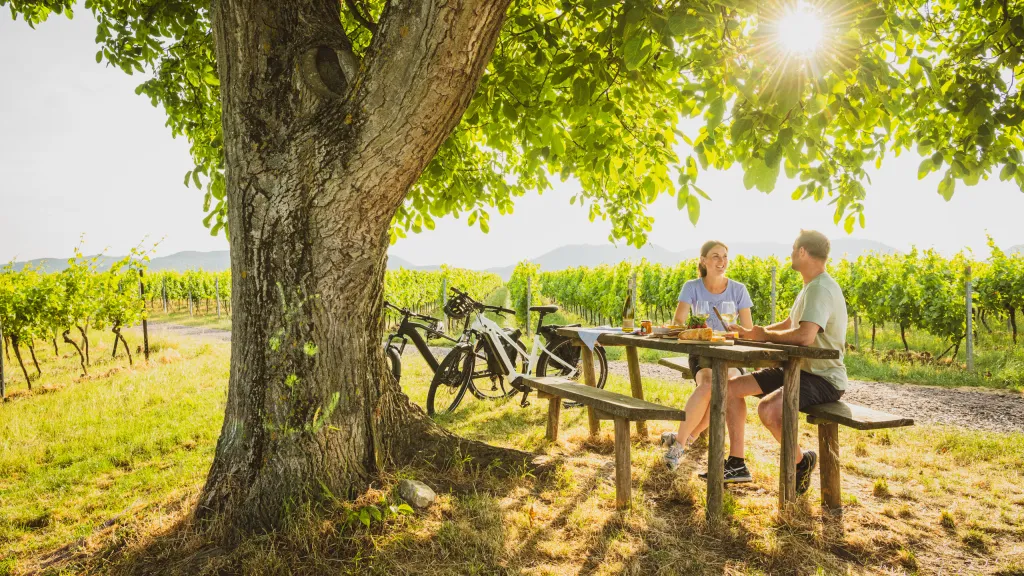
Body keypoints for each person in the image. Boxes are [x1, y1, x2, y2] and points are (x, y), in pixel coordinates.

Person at [723, 230, 848, 495]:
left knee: (769, 410)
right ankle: (736, 461)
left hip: (823, 378)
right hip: (795, 369)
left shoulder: (821, 288)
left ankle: (801, 463)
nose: (790, 254)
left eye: (793, 249)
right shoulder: (811, 286)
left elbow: (804, 336)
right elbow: (791, 324)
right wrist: (752, 333)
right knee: (730, 388)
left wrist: (765, 336)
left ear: (803, 251)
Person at [663, 240, 754, 478]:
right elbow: (678, 323)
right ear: (703, 260)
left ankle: (686, 438)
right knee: (707, 385)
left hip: (730, 353)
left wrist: (733, 330)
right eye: (715, 256)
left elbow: (748, 329)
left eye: (724, 256)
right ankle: (680, 445)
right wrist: (693, 326)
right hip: (702, 350)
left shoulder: (738, 289)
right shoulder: (691, 287)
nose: (721, 261)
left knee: (728, 386)